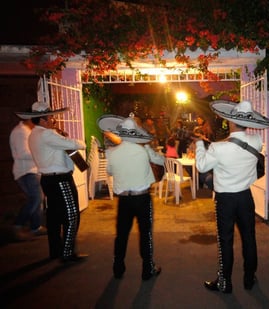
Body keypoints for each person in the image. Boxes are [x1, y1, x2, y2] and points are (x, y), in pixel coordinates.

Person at [195, 100, 269, 293]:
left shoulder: (218, 148)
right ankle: (249, 278)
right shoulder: (255, 141)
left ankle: (225, 282)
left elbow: (201, 167)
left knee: (226, 240)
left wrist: (198, 144)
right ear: (247, 123)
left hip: (225, 200)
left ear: (230, 122)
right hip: (245, 197)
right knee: (249, 238)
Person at [16, 102, 88, 263]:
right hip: (60, 179)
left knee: (54, 217)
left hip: (48, 179)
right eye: (50, 117)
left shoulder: (34, 134)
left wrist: (59, 135)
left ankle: (55, 250)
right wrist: (68, 138)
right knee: (71, 215)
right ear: (42, 119)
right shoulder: (47, 135)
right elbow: (77, 145)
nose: (52, 119)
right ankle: (68, 252)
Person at [97, 113, 164, 280]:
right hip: (142, 198)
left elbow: (110, 171)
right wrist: (148, 149)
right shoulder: (143, 150)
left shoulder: (112, 152)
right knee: (145, 233)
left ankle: (118, 267)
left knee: (121, 234)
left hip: (124, 199)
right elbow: (161, 161)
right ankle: (147, 269)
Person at [9, 116, 46, 241]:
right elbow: (23, 154)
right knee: (36, 199)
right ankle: (17, 226)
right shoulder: (21, 132)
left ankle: (36, 227)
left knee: (37, 200)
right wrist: (41, 152)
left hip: (31, 170)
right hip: (26, 172)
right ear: (31, 119)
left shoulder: (26, 131)